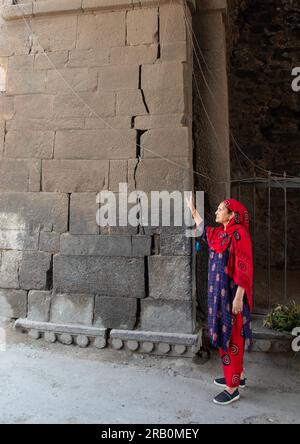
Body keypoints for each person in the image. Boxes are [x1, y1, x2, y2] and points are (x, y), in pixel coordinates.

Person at [186, 196, 253, 406]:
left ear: (232, 215)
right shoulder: (221, 234)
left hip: (232, 296)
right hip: (220, 295)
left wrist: (239, 297)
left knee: (232, 338)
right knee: (226, 335)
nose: (216, 212)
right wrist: (192, 209)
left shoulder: (239, 235)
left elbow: (244, 267)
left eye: (220, 209)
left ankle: (232, 389)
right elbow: (204, 229)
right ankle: (238, 376)